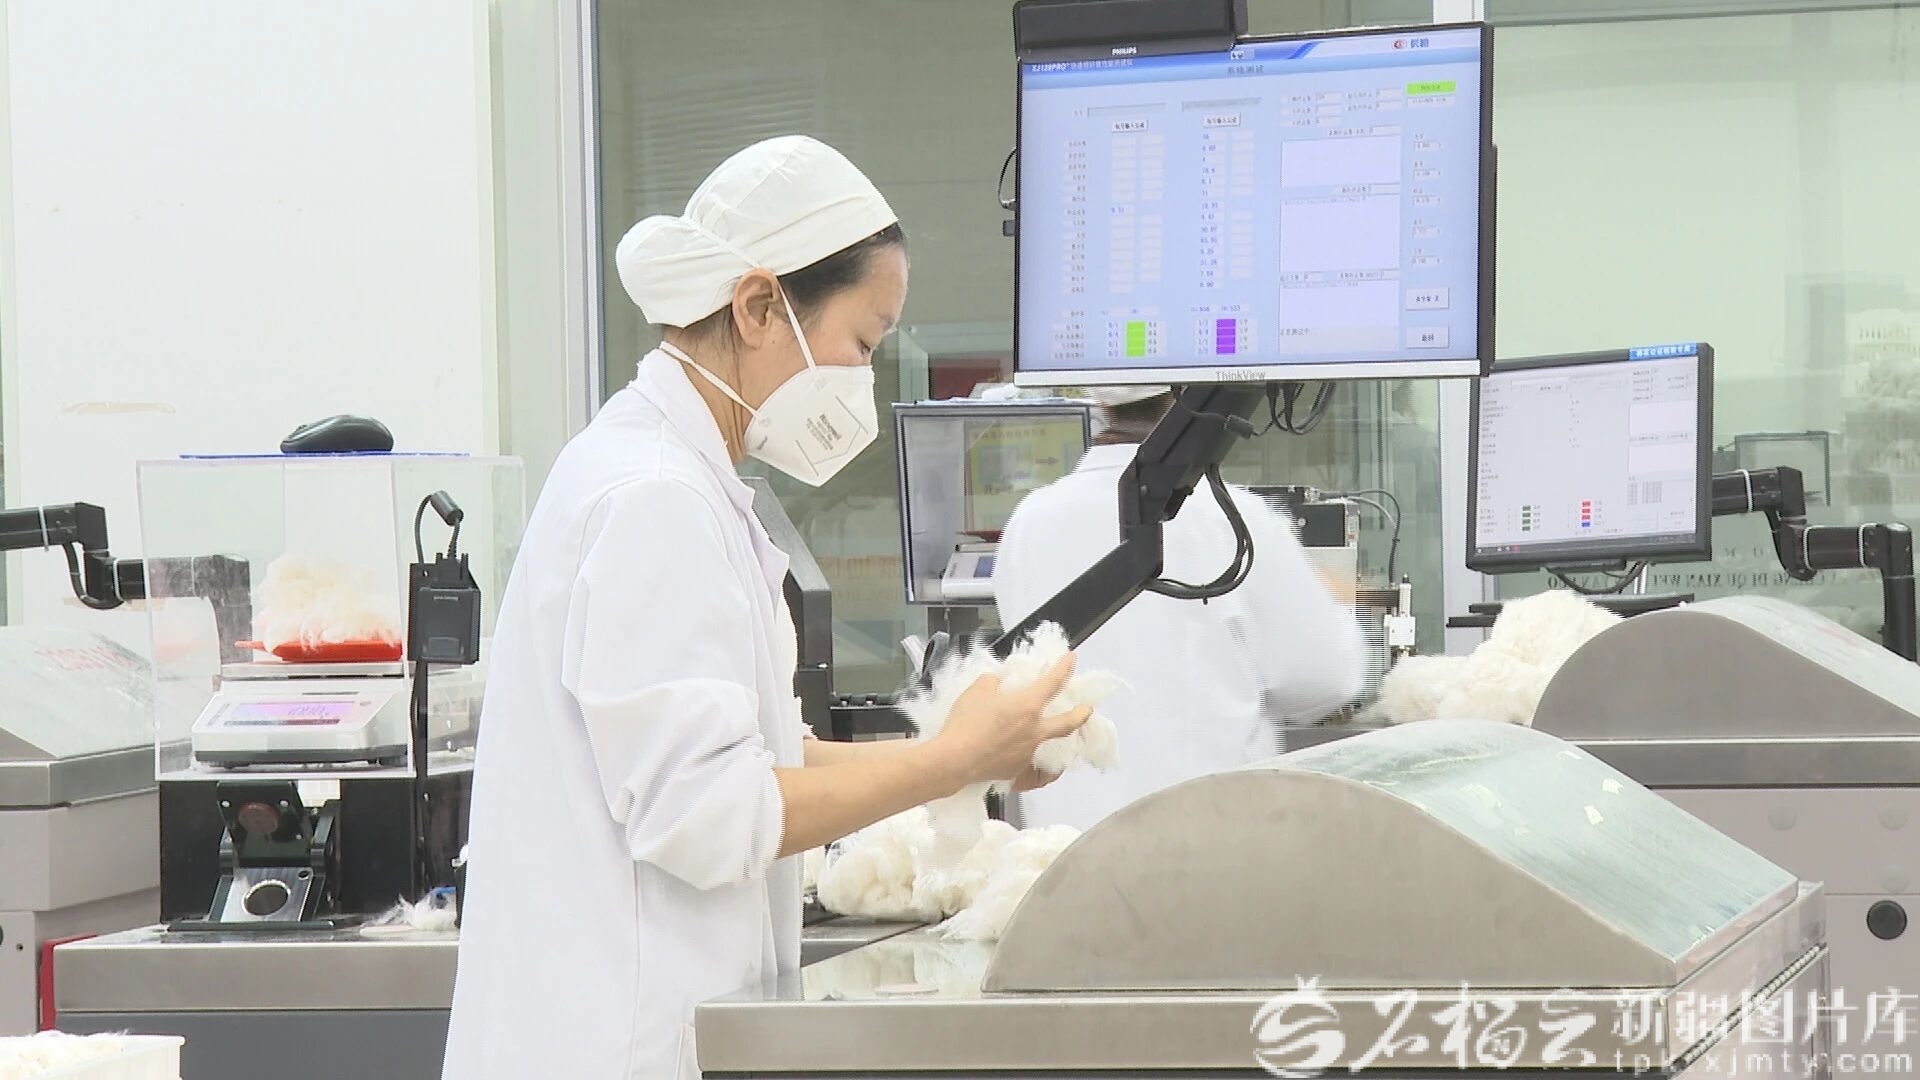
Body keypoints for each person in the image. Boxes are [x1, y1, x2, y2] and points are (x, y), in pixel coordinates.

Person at [442, 136, 1088, 1080]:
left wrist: (963, 758)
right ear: (756, 307)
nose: (863, 381)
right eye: (862, 344)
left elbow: (759, 755)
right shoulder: (652, 498)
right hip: (615, 1050)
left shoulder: (678, 480)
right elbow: (712, 812)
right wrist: (951, 758)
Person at [992, 384, 1366, 831]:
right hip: (1211, 846)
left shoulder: (1029, 521)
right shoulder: (1237, 519)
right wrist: (1342, 605)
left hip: (1068, 851)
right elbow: (1328, 680)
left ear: (1101, 402)